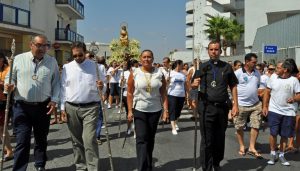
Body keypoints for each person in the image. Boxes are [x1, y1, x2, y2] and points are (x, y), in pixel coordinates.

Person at [5, 35, 60, 171]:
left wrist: (54, 100)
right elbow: (10, 77)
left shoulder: (52, 61)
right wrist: (9, 85)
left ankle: (40, 165)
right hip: (22, 107)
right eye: (39, 45)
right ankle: (19, 169)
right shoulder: (19, 59)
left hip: (43, 107)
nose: (42, 48)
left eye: (45, 46)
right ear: (31, 45)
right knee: (22, 141)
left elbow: (56, 83)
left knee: (41, 139)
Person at [192, 41, 239, 171]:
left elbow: (233, 85)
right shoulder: (202, 66)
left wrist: (235, 104)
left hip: (222, 108)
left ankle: (216, 163)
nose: (214, 52)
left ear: (220, 51)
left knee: (219, 138)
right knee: (207, 139)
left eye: (216, 49)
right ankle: (206, 167)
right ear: (208, 51)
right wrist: (194, 85)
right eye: (211, 49)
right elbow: (192, 84)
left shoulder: (227, 67)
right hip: (207, 107)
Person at [60, 41, 106, 170]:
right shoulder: (67, 68)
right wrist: (62, 108)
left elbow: (104, 86)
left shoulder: (97, 67)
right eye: (74, 56)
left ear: (85, 53)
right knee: (76, 141)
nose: (77, 58)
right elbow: (63, 88)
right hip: (71, 107)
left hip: (91, 107)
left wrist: (102, 87)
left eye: (80, 55)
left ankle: (92, 168)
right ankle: (80, 166)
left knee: (89, 139)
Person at [127, 49, 169, 171]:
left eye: (149, 57)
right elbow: (129, 92)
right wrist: (130, 110)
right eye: (144, 57)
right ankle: (142, 167)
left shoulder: (159, 73)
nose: (146, 59)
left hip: (155, 110)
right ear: (140, 59)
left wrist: (165, 110)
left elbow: (164, 93)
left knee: (150, 139)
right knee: (141, 138)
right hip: (139, 109)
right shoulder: (134, 73)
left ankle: (148, 165)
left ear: (153, 58)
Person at [263, 60, 300, 166]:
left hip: (288, 112)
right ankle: (273, 153)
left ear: (285, 70)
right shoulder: (273, 78)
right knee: (273, 133)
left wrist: (294, 98)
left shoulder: (294, 80)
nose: (276, 70)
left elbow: (299, 95)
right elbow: (267, 92)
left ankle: (282, 155)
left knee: (284, 135)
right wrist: (265, 106)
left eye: (278, 68)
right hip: (274, 110)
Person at [234, 53, 263, 158]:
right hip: (241, 105)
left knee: (256, 125)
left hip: (255, 104)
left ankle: (251, 147)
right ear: (246, 62)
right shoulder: (237, 73)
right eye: (253, 62)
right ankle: (242, 146)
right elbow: (232, 88)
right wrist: (234, 105)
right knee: (239, 126)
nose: (255, 64)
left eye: (256, 62)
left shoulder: (257, 73)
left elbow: (258, 86)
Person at [0, 52, 14, 162]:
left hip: (4, 102)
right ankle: (6, 148)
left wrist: (2, 84)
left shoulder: (8, 69)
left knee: (2, 128)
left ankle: (9, 150)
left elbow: (10, 84)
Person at [168, 60, 187, 135]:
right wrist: (168, 81)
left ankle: (175, 123)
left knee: (178, 111)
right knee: (172, 110)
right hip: (172, 94)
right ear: (178, 65)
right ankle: (173, 127)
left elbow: (185, 84)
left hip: (181, 95)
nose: (183, 66)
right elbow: (166, 83)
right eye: (182, 65)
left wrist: (187, 94)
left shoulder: (183, 74)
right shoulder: (171, 73)